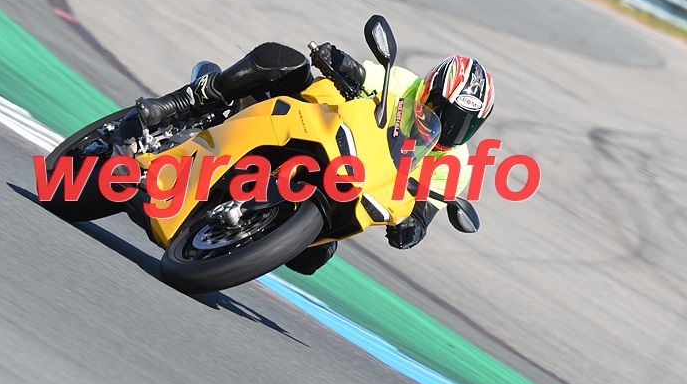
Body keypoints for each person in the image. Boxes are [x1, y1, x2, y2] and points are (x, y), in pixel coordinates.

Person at [124, 41, 494, 275]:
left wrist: (410, 230)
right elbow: (363, 74)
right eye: (444, 110)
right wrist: (341, 63)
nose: (449, 128)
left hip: (349, 182)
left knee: (313, 257)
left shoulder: (456, 165)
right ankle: (184, 102)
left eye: (464, 124)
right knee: (286, 63)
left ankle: (239, 233)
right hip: (320, 124)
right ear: (427, 90)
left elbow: (422, 213)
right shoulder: (402, 84)